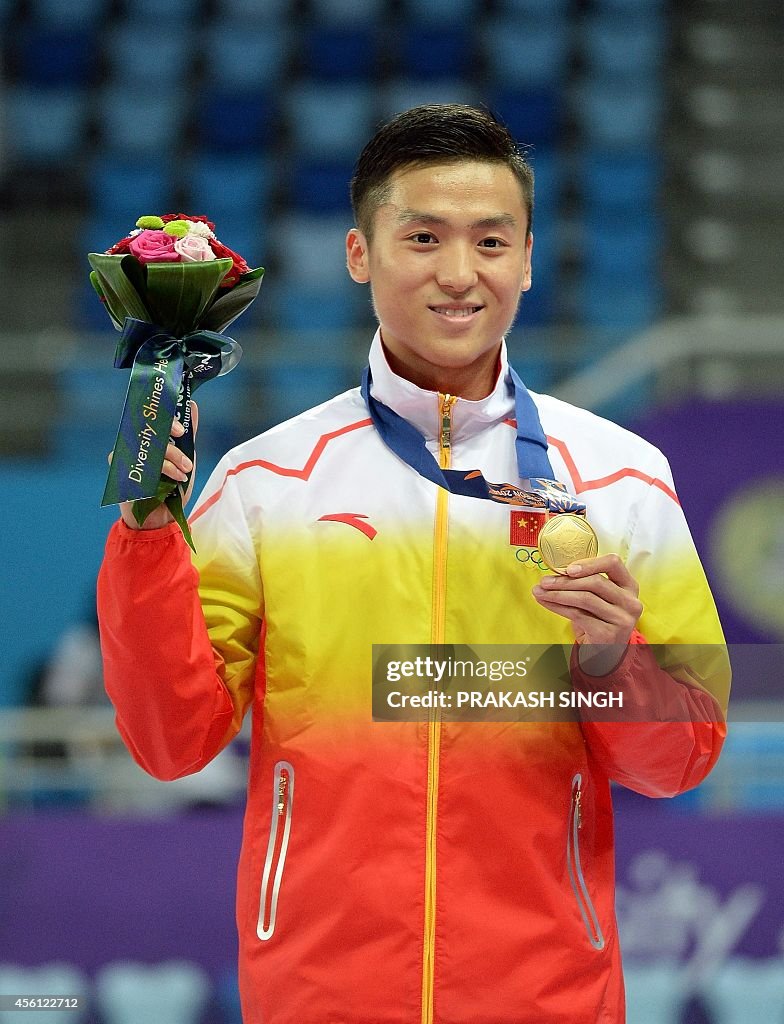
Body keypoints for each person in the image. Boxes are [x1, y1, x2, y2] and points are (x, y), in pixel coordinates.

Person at [97, 104, 730, 1024]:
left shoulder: (621, 479)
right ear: (360, 253)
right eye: (423, 237)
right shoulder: (269, 480)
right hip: (319, 994)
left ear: (527, 257)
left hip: (546, 997)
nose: (459, 275)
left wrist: (609, 666)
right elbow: (170, 741)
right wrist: (149, 528)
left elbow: (683, 759)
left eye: (490, 241)